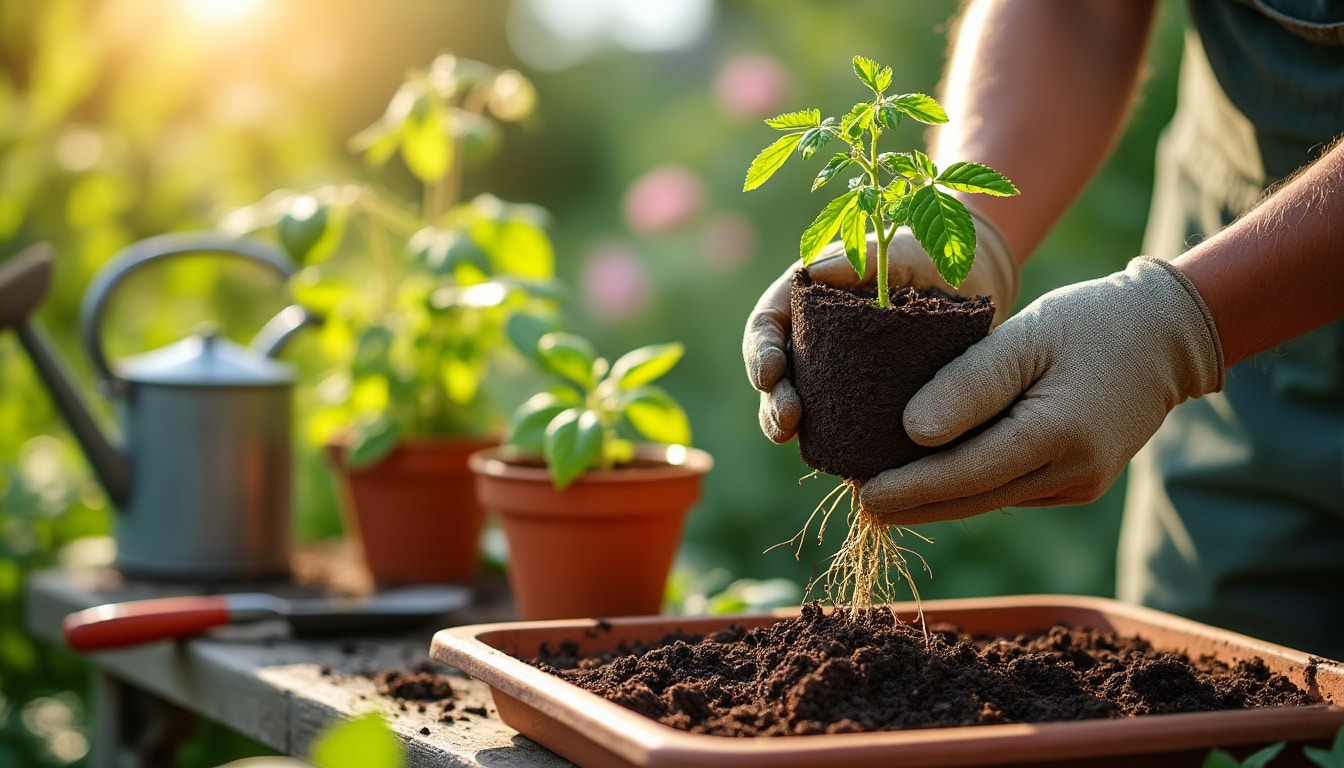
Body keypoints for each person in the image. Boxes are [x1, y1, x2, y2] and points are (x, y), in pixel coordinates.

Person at [743, 0, 1344, 660]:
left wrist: (1177, 327)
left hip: (1220, 299)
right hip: (1235, 297)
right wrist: (969, 229)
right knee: (1216, 696)